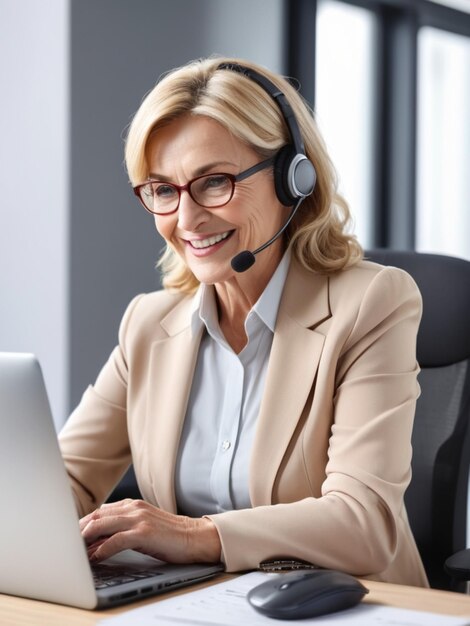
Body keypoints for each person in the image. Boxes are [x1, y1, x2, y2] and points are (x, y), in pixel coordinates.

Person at [59, 56, 428, 587]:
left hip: (346, 608)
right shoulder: (149, 323)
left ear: (291, 179)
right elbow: (65, 479)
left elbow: (363, 521)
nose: (186, 220)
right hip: (192, 607)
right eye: (163, 190)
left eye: (214, 183)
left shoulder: (372, 303)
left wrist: (194, 535)